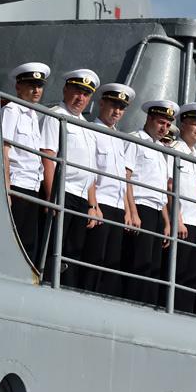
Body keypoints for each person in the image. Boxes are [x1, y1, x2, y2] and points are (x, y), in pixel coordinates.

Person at [40, 68, 101, 287]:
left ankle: (64, 290)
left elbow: (90, 169)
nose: (81, 98)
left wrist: (92, 205)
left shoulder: (87, 127)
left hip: (81, 198)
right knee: (53, 249)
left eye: (86, 94)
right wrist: (51, 195)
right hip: (62, 191)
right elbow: (48, 156)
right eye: (77, 91)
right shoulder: (56, 116)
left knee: (72, 252)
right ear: (66, 90)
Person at [81, 82, 135, 296]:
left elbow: (122, 179)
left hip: (117, 207)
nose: (117, 111)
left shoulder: (119, 138)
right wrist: (93, 205)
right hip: (101, 203)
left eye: (121, 108)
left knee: (110, 263)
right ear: (101, 104)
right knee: (93, 258)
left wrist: (127, 210)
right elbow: (90, 171)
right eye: (113, 105)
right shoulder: (91, 131)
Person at [123, 100, 177, 306]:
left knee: (152, 266)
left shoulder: (161, 150)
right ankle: (133, 305)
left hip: (156, 211)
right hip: (140, 207)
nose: (164, 128)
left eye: (167, 125)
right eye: (161, 122)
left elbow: (161, 190)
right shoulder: (136, 139)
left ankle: (147, 306)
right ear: (149, 119)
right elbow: (126, 177)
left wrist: (167, 222)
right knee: (139, 262)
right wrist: (132, 211)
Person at [2, 62, 50, 262]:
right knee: (12, 243)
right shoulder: (11, 110)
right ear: (18, 87)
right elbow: (4, 150)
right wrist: (6, 189)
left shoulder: (33, 115)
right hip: (17, 184)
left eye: (39, 86)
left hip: (32, 186)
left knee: (28, 245)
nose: (36, 90)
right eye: (31, 85)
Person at [168, 102, 196, 314]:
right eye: (195, 124)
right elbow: (170, 186)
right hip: (182, 222)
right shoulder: (175, 150)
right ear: (183, 125)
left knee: (191, 278)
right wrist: (177, 220)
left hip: (195, 225)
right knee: (178, 275)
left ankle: (184, 315)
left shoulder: (195, 156)